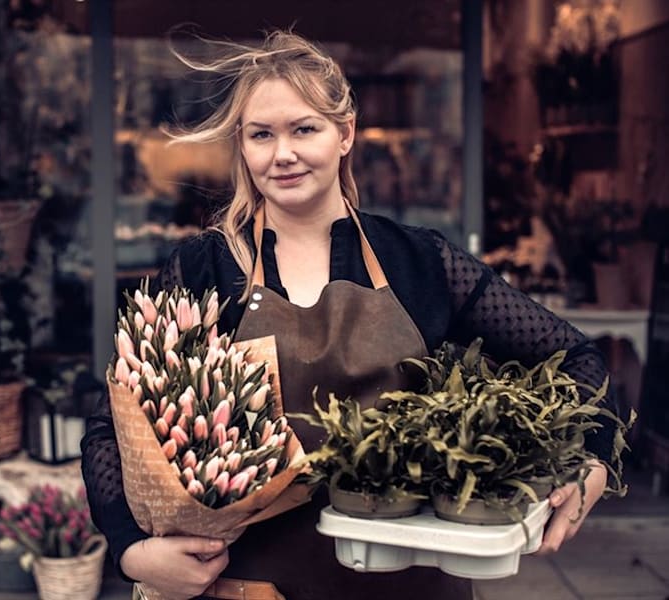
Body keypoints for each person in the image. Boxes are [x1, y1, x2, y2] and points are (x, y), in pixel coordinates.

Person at [82, 30, 618, 600]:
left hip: (411, 588)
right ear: (243, 147)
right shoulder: (206, 268)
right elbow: (112, 426)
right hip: (249, 586)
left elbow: (578, 358)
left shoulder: (420, 261)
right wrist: (134, 552)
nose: (282, 153)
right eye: (261, 135)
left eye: (303, 129)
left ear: (345, 134)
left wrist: (592, 458)